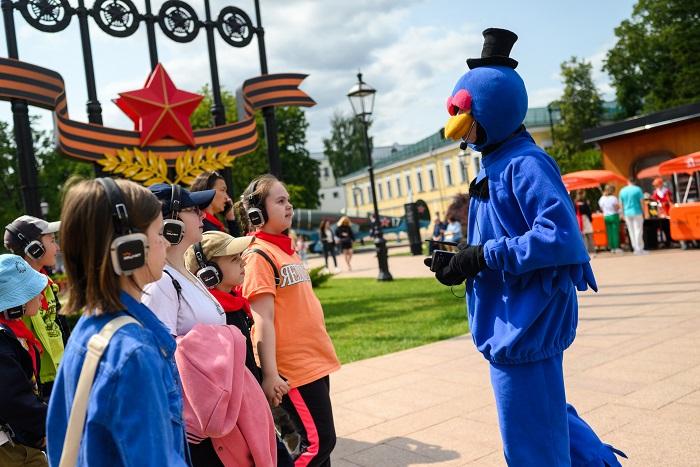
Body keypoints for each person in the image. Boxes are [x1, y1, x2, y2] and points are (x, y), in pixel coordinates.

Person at [429, 28, 625, 466]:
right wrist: (462, 259)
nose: (462, 129)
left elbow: (559, 236)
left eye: (468, 116)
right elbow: (500, 232)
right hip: (510, 320)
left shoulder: (525, 163)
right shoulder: (494, 161)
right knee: (546, 418)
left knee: (530, 442)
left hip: (525, 324)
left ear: (493, 110)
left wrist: (483, 255)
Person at [47, 177, 187, 465]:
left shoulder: (88, 331)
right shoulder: (134, 354)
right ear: (128, 249)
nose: (165, 242)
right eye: (158, 232)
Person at [236, 174, 341, 466]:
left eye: (289, 200)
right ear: (257, 213)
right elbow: (263, 319)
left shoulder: (285, 250)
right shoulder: (258, 255)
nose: (289, 206)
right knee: (319, 443)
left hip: (314, 359)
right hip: (292, 368)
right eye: (280, 201)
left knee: (321, 448)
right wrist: (270, 374)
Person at [184, 231, 295, 467]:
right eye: (234, 259)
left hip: (252, 404)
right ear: (208, 272)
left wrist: (265, 378)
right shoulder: (214, 315)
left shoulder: (233, 304)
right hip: (238, 418)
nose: (243, 262)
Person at [142, 183, 225, 337]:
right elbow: (163, 348)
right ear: (172, 223)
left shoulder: (182, 274)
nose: (203, 215)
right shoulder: (161, 282)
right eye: (193, 210)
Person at [4, 215, 69, 400]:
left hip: (60, 373)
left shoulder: (48, 284)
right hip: (38, 381)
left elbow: (61, 327)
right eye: (52, 241)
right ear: (34, 248)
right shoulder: (16, 294)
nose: (57, 248)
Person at [0, 254, 49, 467]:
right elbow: (14, 399)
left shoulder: (14, 333)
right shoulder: (2, 341)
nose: (40, 294)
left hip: (18, 439)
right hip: (8, 448)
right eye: (31, 290)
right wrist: (49, 424)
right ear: (14, 303)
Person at [190, 171, 241, 236]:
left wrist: (230, 217)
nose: (227, 197)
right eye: (222, 190)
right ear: (208, 191)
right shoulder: (204, 228)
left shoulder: (209, 223)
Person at [619, 178, 646, 255]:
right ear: (634, 182)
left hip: (627, 213)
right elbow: (641, 202)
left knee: (631, 231)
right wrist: (644, 212)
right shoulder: (638, 189)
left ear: (628, 182)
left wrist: (622, 214)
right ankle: (639, 248)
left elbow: (621, 203)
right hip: (637, 212)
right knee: (638, 230)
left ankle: (635, 248)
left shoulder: (622, 190)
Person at [598, 184, 622, 253]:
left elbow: (601, 208)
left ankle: (611, 247)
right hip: (613, 215)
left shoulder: (602, 198)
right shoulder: (613, 198)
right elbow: (617, 208)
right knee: (615, 232)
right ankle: (616, 247)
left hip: (606, 216)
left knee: (609, 233)